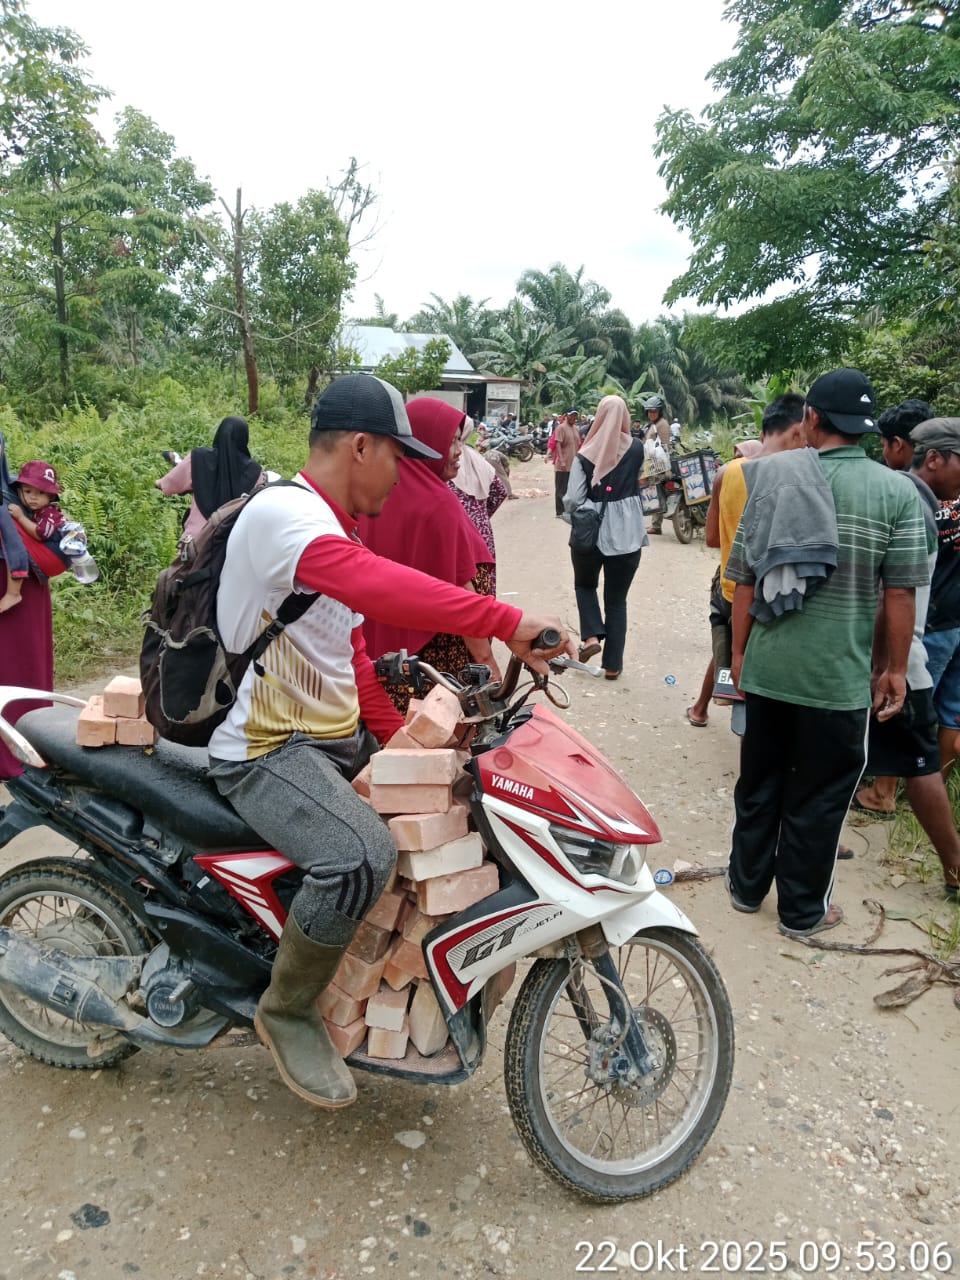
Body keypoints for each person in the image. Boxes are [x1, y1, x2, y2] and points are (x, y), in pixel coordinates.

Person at [206, 374, 571, 1110]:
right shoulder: (285, 516)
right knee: (362, 854)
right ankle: (286, 1010)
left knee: (447, 805)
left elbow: (351, 659)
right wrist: (505, 620)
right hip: (264, 752)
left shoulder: (330, 526)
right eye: (397, 458)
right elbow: (377, 585)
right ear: (360, 447)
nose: (404, 475)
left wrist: (400, 746)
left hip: (326, 740)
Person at [726, 369, 929, 937]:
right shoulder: (897, 492)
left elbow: (744, 580)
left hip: (769, 668)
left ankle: (745, 888)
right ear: (867, 428)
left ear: (812, 418)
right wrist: (893, 670)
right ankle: (802, 912)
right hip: (838, 679)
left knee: (759, 783)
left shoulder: (773, 477)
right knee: (818, 798)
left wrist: (739, 654)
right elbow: (900, 593)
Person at [851, 418, 960, 900]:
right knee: (922, 763)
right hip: (898, 658)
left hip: (883, 654)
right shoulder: (912, 502)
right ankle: (956, 868)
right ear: (934, 458)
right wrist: (888, 667)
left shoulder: (910, 498)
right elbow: (890, 592)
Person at [357, 396, 501, 709]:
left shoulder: (376, 494)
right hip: (435, 661)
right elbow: (462, 593)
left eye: (460, 441)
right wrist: (487, 663)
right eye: (450, 441)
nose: (459, 450)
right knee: (435, 731)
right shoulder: (438, 503)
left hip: (384, 660)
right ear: (424, 443)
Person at [686, 403, 805, 728]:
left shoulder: (726, 473)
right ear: (799, 431)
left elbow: (712, 538)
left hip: (730, 586)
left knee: (728, 646)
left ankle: (701, 707)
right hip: (776, 594)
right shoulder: (799, 477)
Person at [562, 394, 648, 680]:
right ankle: (612, 666)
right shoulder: (637, 448)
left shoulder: (585, 454)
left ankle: (590, 638)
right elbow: (644, 482)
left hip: (590, 535)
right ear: (624, 417)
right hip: (627, 536)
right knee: (617, 601)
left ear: (598, 417)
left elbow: (573, 498)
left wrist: (582, 513)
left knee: (584, 585)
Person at [0, 435, 67, 780]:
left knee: (18, 661)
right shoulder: (17, 497)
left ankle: (25, 742)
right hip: (23, 582)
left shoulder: (13, 501)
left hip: (16, 583)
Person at [156, 415, 264, 541]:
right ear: (244, 439)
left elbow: (169, 484)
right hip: (230, 543)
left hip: (195, 541)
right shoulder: (255, 472)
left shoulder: (198, 458)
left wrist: (157, 483)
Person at [448, 412, 509, 593]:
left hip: (458, 537)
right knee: (481, 590)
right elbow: (499, 491)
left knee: (461, 591)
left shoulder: (447, 461)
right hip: (481, 535)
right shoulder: (477, 459)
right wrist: (481, 516)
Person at [643, 395, 671, 534]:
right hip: (652, 464)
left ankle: (656, 525)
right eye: (649, 411)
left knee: (657, 491)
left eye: (654, 411)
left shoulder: (662, 424)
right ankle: (655, 523)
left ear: (660, 411)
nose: (651, 413)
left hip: (659, 466)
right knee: (655, 491)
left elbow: (664, 446)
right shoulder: (653, 425)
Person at [548, 408, 580, 517]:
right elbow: (558, 444)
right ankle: (560, 512)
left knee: (571, 489)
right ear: (566, 416)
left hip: (573, 464)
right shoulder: (561, 428)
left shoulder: (576, 428)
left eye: (575, 415)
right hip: (563, 464)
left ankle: (568, 510)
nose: (573, 418)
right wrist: (561, 461)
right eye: (571, 415)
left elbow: (578, 445)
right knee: (561, 489)